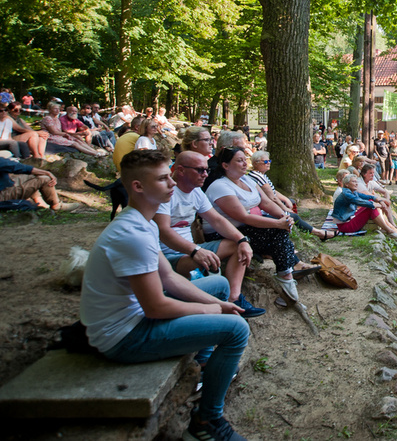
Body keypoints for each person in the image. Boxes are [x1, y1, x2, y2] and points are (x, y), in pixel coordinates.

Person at [79, 150, 250, 441]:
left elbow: (168, 278)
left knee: (219, 286)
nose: (172, 183)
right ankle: (207, 421)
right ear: (138, 186)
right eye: (162, 178)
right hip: (125, 336)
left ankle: (205, 363)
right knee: (236, 330)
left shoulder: (143, 222)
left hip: (138, 317)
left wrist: (217, 303)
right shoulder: (132, 234)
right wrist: (212, 311)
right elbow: (156, 307)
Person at [154, 151, 265, 317]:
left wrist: (242, 240)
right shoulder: (166, 194)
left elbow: (217, 220)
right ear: (181, 170)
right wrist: (195, 251)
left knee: (236, 245)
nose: (205, 174)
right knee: (204, 265)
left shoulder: (196, 192)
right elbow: (164, 231)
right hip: (166, 257)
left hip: (191, 250)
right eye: (200, 170)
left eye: (207, 170)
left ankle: (233, 299)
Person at [202, 148, 301, 302]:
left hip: (246, 228)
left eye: (244, 159)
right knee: (277, 231)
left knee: (280, 233)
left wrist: (284, 217)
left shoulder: (247, 180)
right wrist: (278, 223)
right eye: (239, 160)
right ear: (225, 165)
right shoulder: (220, 186)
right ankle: (286, 276)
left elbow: (266, 202)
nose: (244, 163)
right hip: (225, 232)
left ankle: (286, 274)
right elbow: (243, 216)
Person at [246, 151, 337, 242]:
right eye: (265, 161)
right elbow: (272, 197)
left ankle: (294, 227)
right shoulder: (257, 176)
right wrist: (284, 208)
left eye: (269, 161)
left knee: (291, 202)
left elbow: (273, 190)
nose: (268, 163)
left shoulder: (261, 175)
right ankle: (319, 233)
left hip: (269, 204)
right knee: (293, 216)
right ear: (255, 163)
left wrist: (286, 199)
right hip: (264, 209)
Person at [332, 174, 397, 240]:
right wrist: (380, 205)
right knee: (371, 208)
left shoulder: (351, 192)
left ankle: (387, 227)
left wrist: (380, 201)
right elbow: (361, 202)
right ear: (347, 184)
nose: (356, 184)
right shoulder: (347, 195)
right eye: (354, 182)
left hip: (349, 220)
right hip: (345, 226)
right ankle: (389, 230)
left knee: (371, 201)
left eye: (356, 182)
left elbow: (368, 197)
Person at [0, 156, 79, 211]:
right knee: (45, 179)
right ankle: (56, 205)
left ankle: (39, 201)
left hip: (6, 184)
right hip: (2, 195)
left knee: (33, 176)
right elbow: (17, 167)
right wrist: (47, 172)